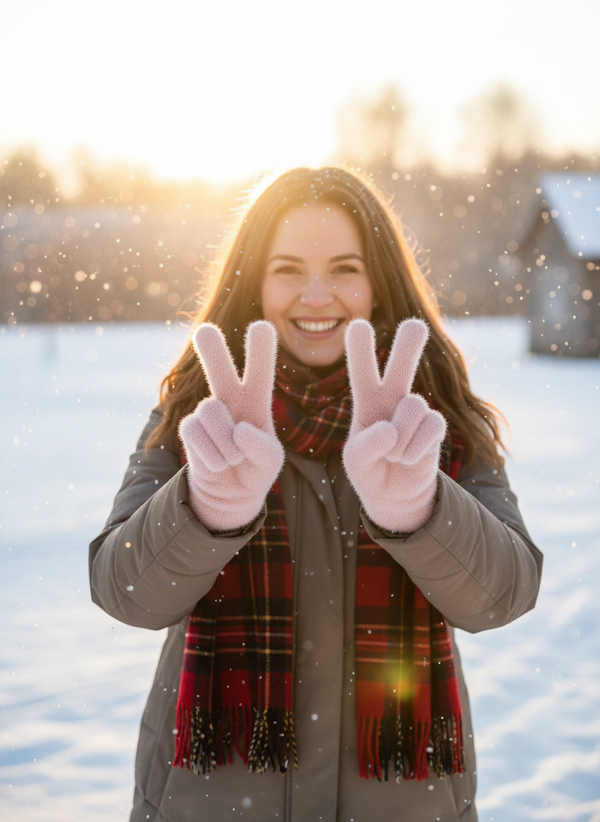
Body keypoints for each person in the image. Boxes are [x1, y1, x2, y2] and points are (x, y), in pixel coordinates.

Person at [89, 166, 542, 822]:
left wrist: (420, 510)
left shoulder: (434, 420)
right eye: (288, 269)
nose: (317, 295)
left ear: (378, 283)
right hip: (211, 798)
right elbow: (123, 591)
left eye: (345, 268)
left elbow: (506, 594)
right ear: (255, 283)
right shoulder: (201, 416)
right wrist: (206, 510)